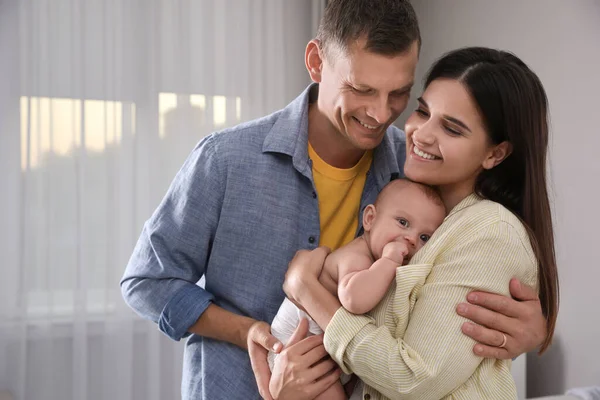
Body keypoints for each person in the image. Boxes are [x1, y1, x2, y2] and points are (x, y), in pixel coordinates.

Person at [120, 1, 548, 399]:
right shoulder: (226, 160)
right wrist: (249, 332)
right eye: (362, 89)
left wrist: (529, 333)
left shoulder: (417, 169)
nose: (382, 114)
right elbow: (147, 282)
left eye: (399, 94)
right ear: (316, 63)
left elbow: (454, 291)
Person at [281, 46, 559, 399]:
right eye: (423, 111)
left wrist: (305, 287)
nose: (420, 134)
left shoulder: (490, 232)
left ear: (495, 153)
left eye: (452, 129)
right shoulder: (413, 204)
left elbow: (415, 379)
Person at [268, 179, 446, 399]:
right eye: (403, 222)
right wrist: (389, 262)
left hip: (321, 348)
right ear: (370, 219)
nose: (411, 239)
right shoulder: (357, 257)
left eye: (424, 237)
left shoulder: (374, 260)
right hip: (296, 342)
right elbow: (354, 300)